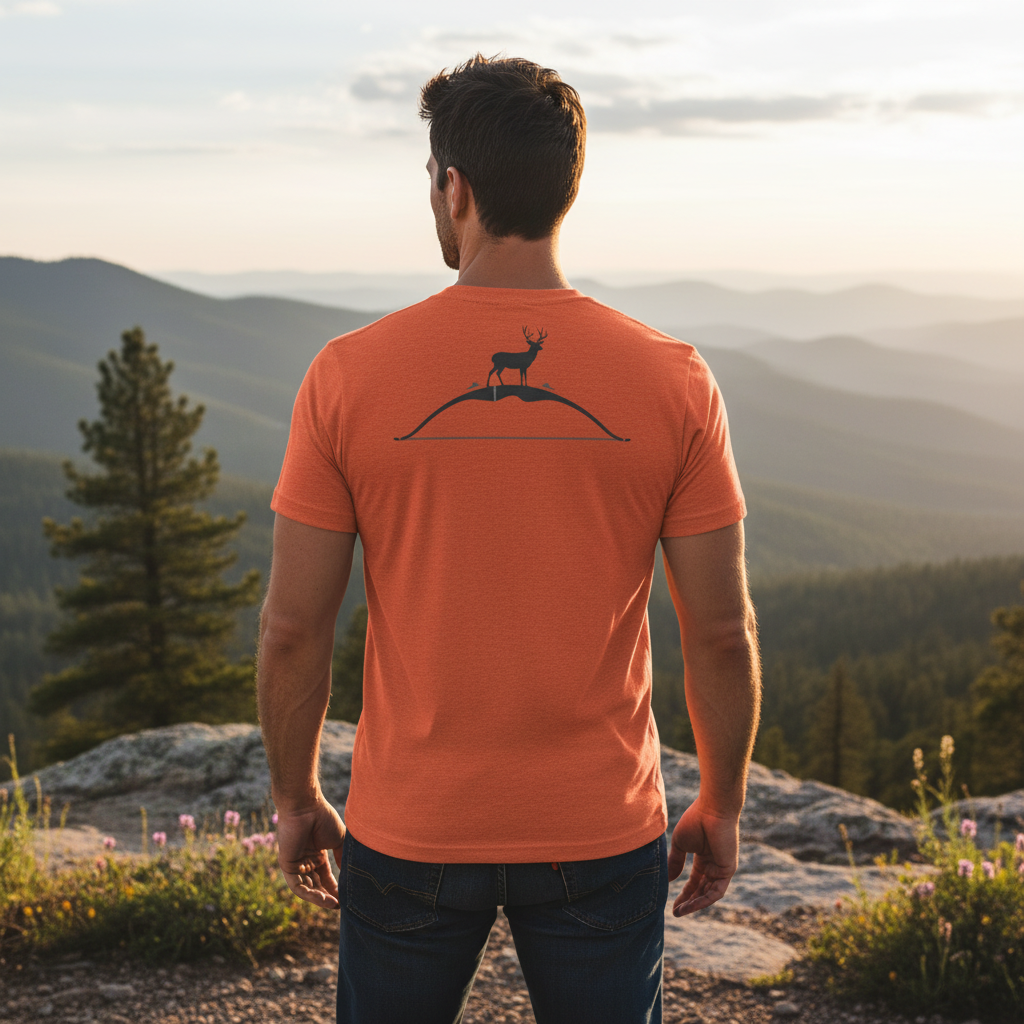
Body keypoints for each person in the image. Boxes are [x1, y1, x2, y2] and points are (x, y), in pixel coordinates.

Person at [257, 54, 760, 1024]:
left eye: (430, 179)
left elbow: (292, 628)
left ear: (455, 189)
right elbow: (720, 629)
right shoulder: (674, 378)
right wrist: (722, 803)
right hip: (599, 824)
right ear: (566, 189)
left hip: (411, 826)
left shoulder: (347, 374)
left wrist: (295, 798)